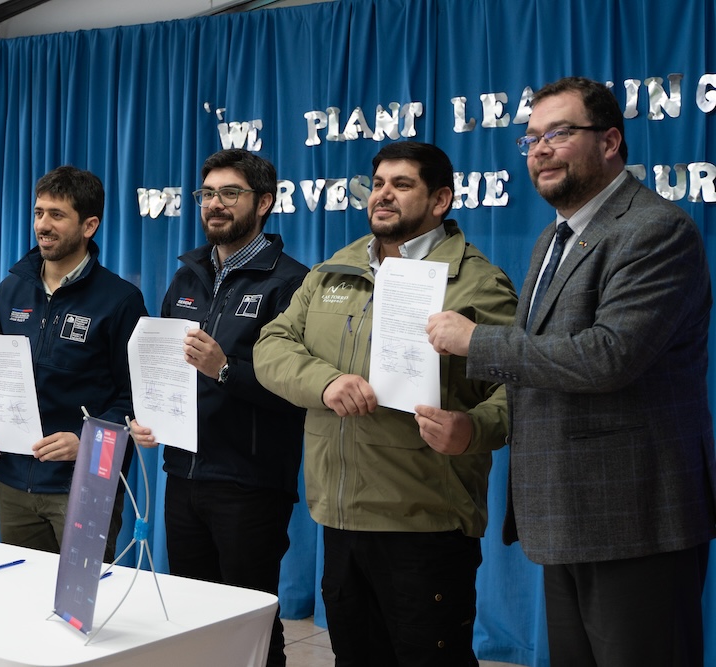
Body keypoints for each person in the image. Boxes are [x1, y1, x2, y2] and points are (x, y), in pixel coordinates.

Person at [427, 76, 716, 667]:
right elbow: (542, 368)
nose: (539, 148)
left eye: (558, 133)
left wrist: (475, 340)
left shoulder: (654, 230)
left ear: (610, 141)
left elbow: (607, 356)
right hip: (565, 513)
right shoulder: (553, 240)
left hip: (633, 517)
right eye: (530, 138)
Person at [254, 141, 517, 666]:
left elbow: (521, 386)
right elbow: (271, 346)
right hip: (341, 516)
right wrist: (325, 382)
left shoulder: (477, 282)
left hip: (425, 523)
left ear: (440, 200)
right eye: (378, 184)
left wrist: (471, 428)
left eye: (402, 185)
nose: (384, 195)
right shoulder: (335, 270)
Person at [128, 148, 308, 667]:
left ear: (265, 202)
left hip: (249, 481)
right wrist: (149, 416)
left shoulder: (290, 282)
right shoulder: (187, 275)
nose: (215, 204)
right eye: (207, 194)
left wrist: (225, 369)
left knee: (248, 622)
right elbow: (162, 368)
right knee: (192, 616)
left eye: (230, 193)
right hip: (182, 474)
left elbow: (296, 389)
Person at [0, 166, 147, 561]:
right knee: (21, 597)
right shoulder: (10, 289)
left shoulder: (120, 300)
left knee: (81, 607)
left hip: (86, 481)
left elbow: (133, 397)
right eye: (38, 213)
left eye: (56, 215)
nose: (43, 225)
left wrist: (87, 440)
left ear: (89, 225)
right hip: (14, 479)